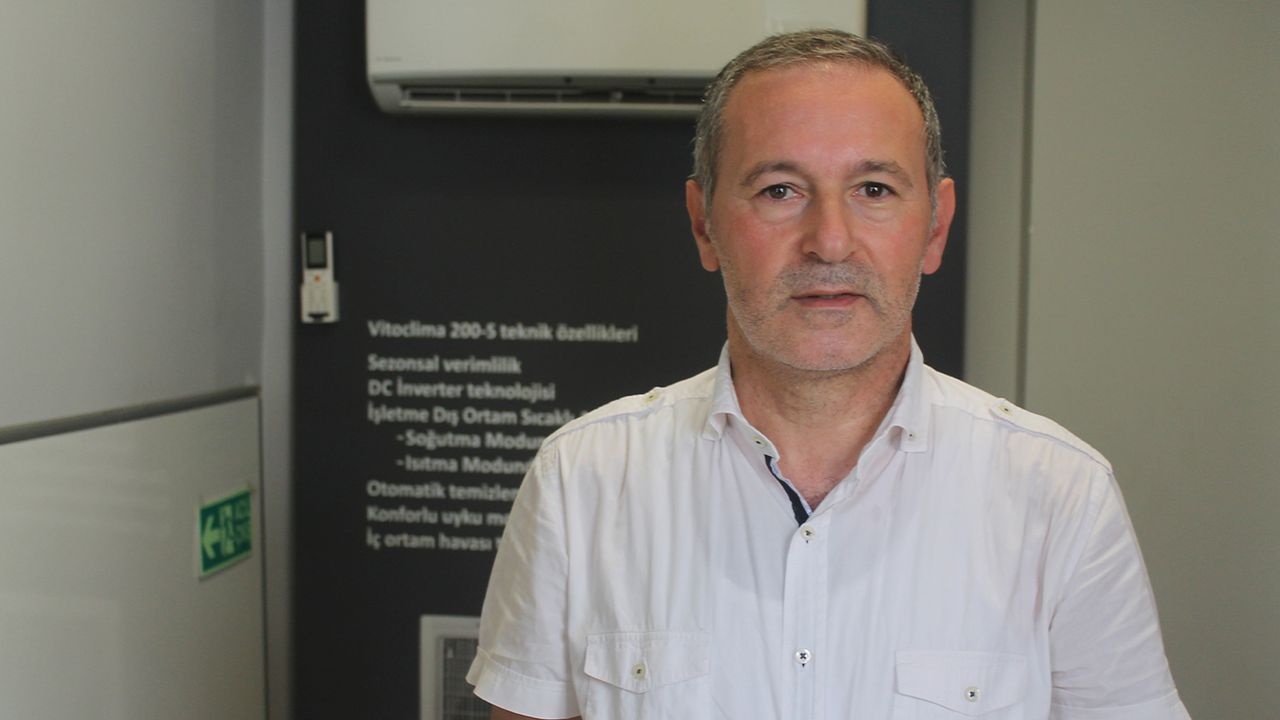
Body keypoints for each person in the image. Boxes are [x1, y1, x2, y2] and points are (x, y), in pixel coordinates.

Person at [467, 29, 1190, 720]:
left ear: (935, 226)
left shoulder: (1060, 497)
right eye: (780, 190)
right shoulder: (581, 482)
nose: (831, 242)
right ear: (703, 224)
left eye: (874, 189)